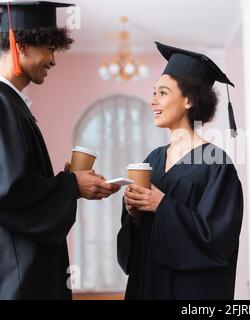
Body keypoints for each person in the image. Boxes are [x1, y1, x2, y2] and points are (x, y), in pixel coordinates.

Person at [0, 2, 120, 300]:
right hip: (17, 272)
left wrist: (65, 184)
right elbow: (8, 192)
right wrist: (70, 185)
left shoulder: (13, 104)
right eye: (50, 49)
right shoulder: (2, 104)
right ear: (22, 46)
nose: (53, 60)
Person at [117, 42, 244, 300]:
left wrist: (161, 205)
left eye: (162, 93)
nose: (152, 101)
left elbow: (217, 242)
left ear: (189, 100)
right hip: (146, 283)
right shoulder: (152, 159)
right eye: (154, 92)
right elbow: (138, 241)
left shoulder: (217, 165)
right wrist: (133, 214)